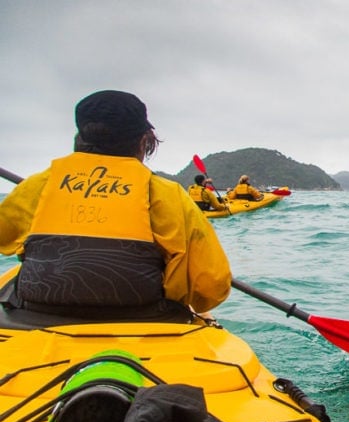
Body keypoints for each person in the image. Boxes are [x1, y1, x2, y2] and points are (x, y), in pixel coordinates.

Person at [0, 90, 232, 327]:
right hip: (144, 320)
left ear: (80, 136)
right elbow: (210, 286)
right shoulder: (166, 194)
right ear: (144, 141)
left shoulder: (38, 185)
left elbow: (4, 237)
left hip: (35, 318)